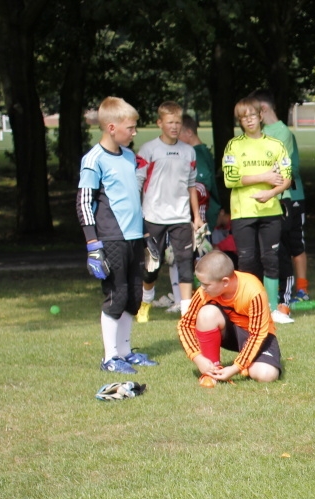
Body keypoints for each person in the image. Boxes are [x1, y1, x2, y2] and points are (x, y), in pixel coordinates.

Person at [77, 96, 159, 374]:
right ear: (111, 127)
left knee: (134, 296)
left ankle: (125, 352)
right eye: (130, 128)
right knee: (116, 295)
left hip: (134, 237)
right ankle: (110, 357)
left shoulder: (127, 156)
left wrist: (146, 235)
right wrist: (92, 244)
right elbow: (84, 203)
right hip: (110, 238)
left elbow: (132, 198)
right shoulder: (94, 159)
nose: (134, 132)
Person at [220, 96, 293, 324]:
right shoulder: (234, 145)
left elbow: (286, 179)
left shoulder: (276, 145)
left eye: (252, 116)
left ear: (260, 116)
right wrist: (263, 177)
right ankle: (248, 307)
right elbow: (230, 178)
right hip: (243, 213)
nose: (249, 121)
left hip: (270, 211)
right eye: (243, 118)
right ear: (240, 122)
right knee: (247, 260)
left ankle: (271, 309)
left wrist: (270, 193)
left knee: (270, 258)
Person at [135, 101, 201, 320]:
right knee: (151, 267)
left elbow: (192, 186)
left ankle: (186, 310)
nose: (175, 126)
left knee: (184, 262)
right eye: (170, 122)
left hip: (181, 217)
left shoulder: (189, 152)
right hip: (154, 216)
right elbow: (137, 184)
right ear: (160, 123)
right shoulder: (149, 150)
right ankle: (145, 302)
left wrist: (197, 217)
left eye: (178, 122)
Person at [177, 250, 282, 386]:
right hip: (230, 332)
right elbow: (185, 325)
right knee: (206, 314)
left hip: (257, 336)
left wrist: (235, 368)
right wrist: (197, 357)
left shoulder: (254, 291)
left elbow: (257, 335)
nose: (202, 288)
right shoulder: (204, 291)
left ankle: (247, 365)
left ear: (225, 281)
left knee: (267, 375)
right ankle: (211, 372)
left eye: (206, 284)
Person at [254, 90, 312, 306]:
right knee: (274, 246)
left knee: (295, 243)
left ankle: (302, 289)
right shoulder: (259, 133)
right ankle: (275, 290)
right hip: (271, 198)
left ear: (263, 110)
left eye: (254, 112)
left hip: (291, 196)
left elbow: (290, 169)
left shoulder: (282, 133)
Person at [179, 114, 225, 232]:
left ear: (189, 132)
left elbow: (201, 186)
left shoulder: (197, 154)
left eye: (178, 134)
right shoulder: (204, 151)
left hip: (202, 216)